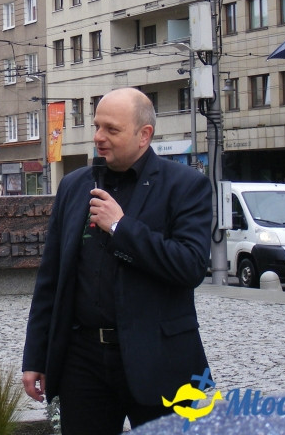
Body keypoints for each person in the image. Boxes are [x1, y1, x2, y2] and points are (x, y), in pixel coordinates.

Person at [21, 88, 213, 433]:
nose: (99, 137)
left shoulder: (186, 185)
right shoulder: (74, 185)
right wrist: (36, 357)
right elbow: (51, 278)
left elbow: (190, 265)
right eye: (97, 126)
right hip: (83, 361)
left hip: (159, 359)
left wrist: (121, 227)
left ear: (144, 135)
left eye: (111, 129)